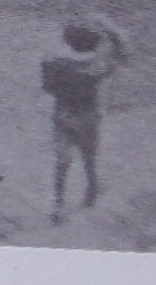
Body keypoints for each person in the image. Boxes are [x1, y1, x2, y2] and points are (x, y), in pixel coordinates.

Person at [41, 13, 129, 218]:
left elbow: (47, 87)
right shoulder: (96, 66)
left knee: (62, 161)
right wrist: (109, 28)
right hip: (88, 114)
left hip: (63, 114)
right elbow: (123, 54)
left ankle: (58, 202)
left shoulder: (54, 64)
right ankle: (91, 192)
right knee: (89, 158)